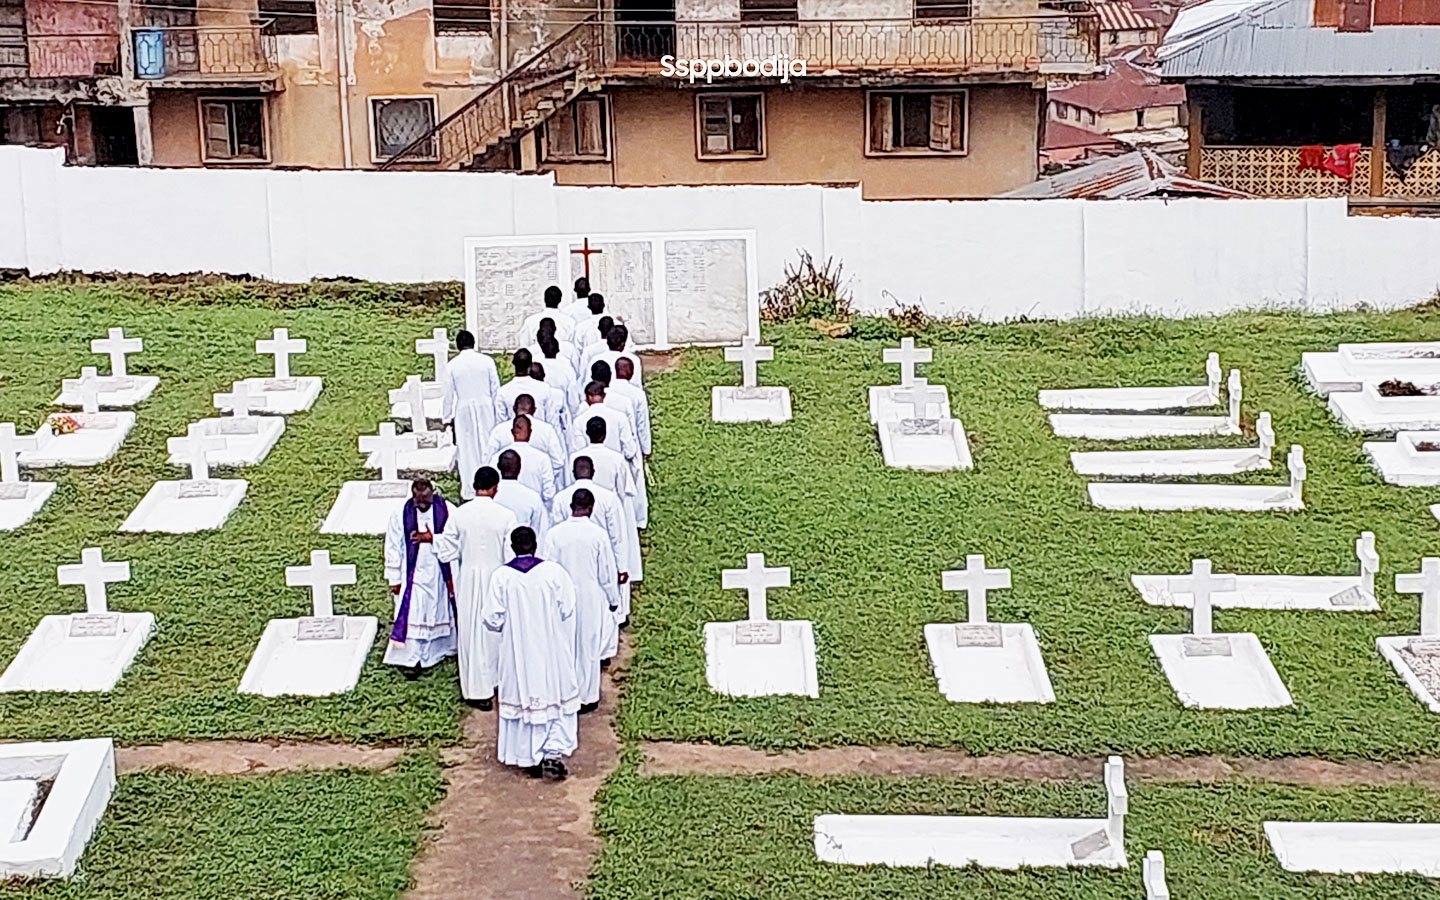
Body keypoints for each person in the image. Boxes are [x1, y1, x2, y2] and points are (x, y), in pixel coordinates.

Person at [483, 525, 580, 780]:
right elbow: (568, 607)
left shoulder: (501, 577)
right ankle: (552, 751)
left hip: (516, 651)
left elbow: (492, 618)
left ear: (512, 548)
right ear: (535, 545)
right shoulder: (554, 573)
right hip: (551, 648)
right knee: (555, 696)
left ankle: (527, 755)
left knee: (521, 697)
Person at [434, 467, 517, 709]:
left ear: (474, 485)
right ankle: (499, 681)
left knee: (472, 632)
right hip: (496, 577)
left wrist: (433, 540)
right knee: (497, 632)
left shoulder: (460, 515)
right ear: (495, 488)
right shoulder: (506, 516)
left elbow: (448, 548)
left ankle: (476, 690)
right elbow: (510, 554)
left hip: (468, 577)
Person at [542, 489, 620, 710]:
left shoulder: (554, 534)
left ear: (571, 506)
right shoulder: (598, 535)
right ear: (591, 508)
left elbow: (548, 567)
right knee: (588, 645)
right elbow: (606, 572)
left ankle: (564, 693)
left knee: (564, 643)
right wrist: (613, 599)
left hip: (561, 595)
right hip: (590, 596)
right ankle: (587, 696)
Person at [383, 478, 456, 680]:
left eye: (426, 499)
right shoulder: (400, 514)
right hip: (412, 576)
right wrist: (394, 578)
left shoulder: (449, 510)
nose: (422, 503)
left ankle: (435, 652)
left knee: (436, 610)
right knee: (413, 614)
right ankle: (411, 659)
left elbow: (455, 540)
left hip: (438, 573)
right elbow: (393, 546)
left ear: (433, 493)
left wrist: (433, 538)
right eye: (418, 500)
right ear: (412, 495)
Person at [551, 456, 637, 626]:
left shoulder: (560, 498)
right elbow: (617, 537)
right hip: (599, 560)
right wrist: (622, 567)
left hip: (568, 559)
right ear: (594, 472)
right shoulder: (609, 498)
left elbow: (556, 530)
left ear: (573, 473)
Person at [443, 330, 502, 500]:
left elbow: (448, 394)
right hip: (486, 407)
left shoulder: (452, 365)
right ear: (474, 343)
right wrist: (497, 413)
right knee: (487, 443)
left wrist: (447, 418)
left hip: (464, 409)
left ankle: (470, 489)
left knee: (467, 448)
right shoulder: (487, 361)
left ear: (457, 346)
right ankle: (491, 483)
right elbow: (495, 388)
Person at [485, 394, 566, 483]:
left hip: (504, 488)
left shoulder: (499, 430)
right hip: (537, 488)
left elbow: (488, 460)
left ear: (514, 408)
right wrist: (544, 477)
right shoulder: (547, 429)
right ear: (534, 410)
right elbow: (558, 461)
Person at [493, 415, 556, 504]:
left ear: (512, 432)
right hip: (533, 508)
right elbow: (548, 493)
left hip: (502, 507)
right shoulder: (542, 458)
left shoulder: (497, 457)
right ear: (530, 432)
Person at [495, 449, 550, 543]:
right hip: (523, 551)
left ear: (498, 467)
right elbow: (540, 532)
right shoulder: (533, 498)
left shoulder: (493, 496)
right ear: (520, 468)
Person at [498, 350, 561, 429]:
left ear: (513, 363)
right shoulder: (545, 389)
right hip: (540, 436)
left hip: (514, 438)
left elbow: (501, 423)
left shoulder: (503, 392)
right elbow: (552, 420)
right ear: (531, 365)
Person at [610, 357, 651, 457]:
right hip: (631, 443)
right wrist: (646, 450)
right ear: (631, 373)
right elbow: (642, 423)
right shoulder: (637, 394)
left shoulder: (608, 390)